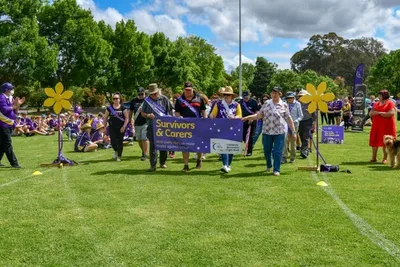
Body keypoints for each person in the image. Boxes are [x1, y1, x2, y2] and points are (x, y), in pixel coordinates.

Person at [242, 86, 297, 176]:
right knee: (267, 150)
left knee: (277, 151)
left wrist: (294, 132)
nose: (274, 95)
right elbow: (259, 115)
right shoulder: (267, 103)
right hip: (267, 131)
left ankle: (276, 169)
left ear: (280, 94)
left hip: (279, 132)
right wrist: (247, 117)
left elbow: (289, 119)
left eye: (276, 93)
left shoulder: (284, 105)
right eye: (272, 93)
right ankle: (269, 164)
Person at [175, 82, 207, 172]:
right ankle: (186, 165)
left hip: (198, 125)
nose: (188, 91)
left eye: (189, 90)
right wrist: (179, 117)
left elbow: (203, 110)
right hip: (185, 126)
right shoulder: (180, 100)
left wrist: (205, 120)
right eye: (186, 90)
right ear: (184, 90)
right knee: (185, 145)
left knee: (199, 144)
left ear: (193, 89)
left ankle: (199, 160)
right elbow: (177, 112)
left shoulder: (199, 98)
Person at [141, 83, 173, 172]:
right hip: (152, 126)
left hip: (163, 127)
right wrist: (148, 115)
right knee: (153, 146)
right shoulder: (147, 101)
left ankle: (162, 162)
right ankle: (153, 165)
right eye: (151, 94)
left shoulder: (164, 99)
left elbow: (170, 110)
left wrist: (171, 121)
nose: (153, 95)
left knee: (163, 145)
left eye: (154, 93)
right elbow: (142, 113)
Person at [210, 86, 241, 173]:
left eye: (228, 95)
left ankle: (228, 165)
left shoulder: (236, 105)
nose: (226, 96)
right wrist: (211, 116)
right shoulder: (218, 104)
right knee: (223, 147)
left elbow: (240, 115)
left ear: (232, 96)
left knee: (231, 148)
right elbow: (213, 114)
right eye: (225, 95)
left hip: (233, 129)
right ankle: (224, 164)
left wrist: (235, 117)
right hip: (221, 128)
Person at [0, 82, 25, 168]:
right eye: (11, 89)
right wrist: (14, 106)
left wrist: (18, 105)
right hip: (3, 125)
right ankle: (14, 163)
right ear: (6, 90)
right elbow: (4, 110)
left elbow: (14, 112)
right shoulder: (1, 97)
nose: (12, 90)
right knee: (7, 144)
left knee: (2, 145)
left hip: (9, 124)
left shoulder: (11, 98)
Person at [369, 89, 396, 164]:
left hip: (387, 125)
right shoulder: (376, 103)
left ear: (384, 96)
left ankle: (385, 158)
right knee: (374, 140)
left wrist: (379, 113)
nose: (379, 96)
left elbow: (391, 113)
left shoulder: (390, 103)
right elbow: (371, 113)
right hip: (376, 125)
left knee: (386, 142)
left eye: (380, 95)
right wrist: (373, 113)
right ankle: (373, 158)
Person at [103, 92, 129, 162]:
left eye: (116, 98)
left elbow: (127, 118)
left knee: (120, 142)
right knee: (113, 141)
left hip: (121, 127)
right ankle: (116, 150)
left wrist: (124, 126)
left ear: (119, 99)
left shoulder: (123, 107)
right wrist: (104, 127)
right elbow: (105, 117)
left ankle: (119, 156)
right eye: (114, 98)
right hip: (112, 127)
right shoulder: (109, 108)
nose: (115, 100)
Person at [282, 91, 303, 164]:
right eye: (288, 98)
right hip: (285, 125)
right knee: (284, 141)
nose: (290, 99)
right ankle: (284, 157)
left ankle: (292, 157)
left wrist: (296, 120)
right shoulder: (284, 104)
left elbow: (301, 115)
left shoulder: (297, 104)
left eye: (291, 98)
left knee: (293, 141)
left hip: (294, 125)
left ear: (293, 97)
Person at [129, 87, 149, 161]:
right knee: (139, 139)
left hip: (146, 122)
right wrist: (130, 120)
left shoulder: (147, 100)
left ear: (144, 93)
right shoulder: (134, 100)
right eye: (139, 94)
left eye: (142, 94)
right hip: (137, 122)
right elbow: (130, 111)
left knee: (144, 138)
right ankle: (144, 151)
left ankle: (145, 154)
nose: (140, 95)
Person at [238, 90, 260, 156]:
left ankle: (249, 151)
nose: (246, 98)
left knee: (251, 136)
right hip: (243, 120)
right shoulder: (240, 102)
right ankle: (248, 145)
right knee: (243, 135)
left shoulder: (254, 102)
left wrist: (252, 118)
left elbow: (257, 112)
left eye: (247, 97)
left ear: (249, 95)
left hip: (252, 120)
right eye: (244, 97)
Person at [298, 89, 316, 159]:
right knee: (301, 135)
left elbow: (314, 115)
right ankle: (305, 148)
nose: (301, 97)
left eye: (303, 96)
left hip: (308, 121)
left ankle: (304, 151)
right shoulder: (298, 104)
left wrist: (314, 123)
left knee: (306, 135)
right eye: (300, 96)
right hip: (300, 121)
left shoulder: (310, 103)